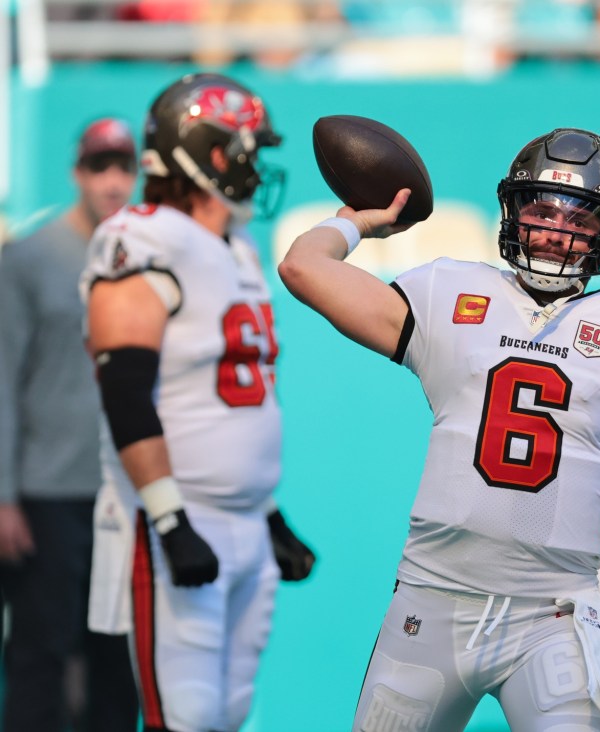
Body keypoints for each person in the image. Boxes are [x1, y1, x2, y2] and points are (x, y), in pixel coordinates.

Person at [279, 127, 600, 731]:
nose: (557, 229)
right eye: (542, 209)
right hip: (432, 598)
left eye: (579, 217)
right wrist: (359, 220)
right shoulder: (449, 291)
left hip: (552, 618)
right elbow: (302, 266)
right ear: (512, 211)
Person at [80, 72, 316, 732]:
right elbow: (124, 390)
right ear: (210, 150)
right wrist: (170, 521)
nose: (256, 164)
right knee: (182, 716)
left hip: (244, 522)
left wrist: (269, 516)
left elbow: (234, 402)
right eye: (248, 149)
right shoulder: (142, 236)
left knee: (229, 713)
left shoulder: (234, 245)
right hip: (180, 518)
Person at [0, 117, 140, 732]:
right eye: (99, 166)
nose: (112, 181)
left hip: (125, 488)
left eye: (124, 167)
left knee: (119, 662)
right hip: (47, 492)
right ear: (76, 173)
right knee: (40, 658)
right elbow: (1, 381)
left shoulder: (145, 256)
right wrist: (3, 496)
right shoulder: (29, 258)